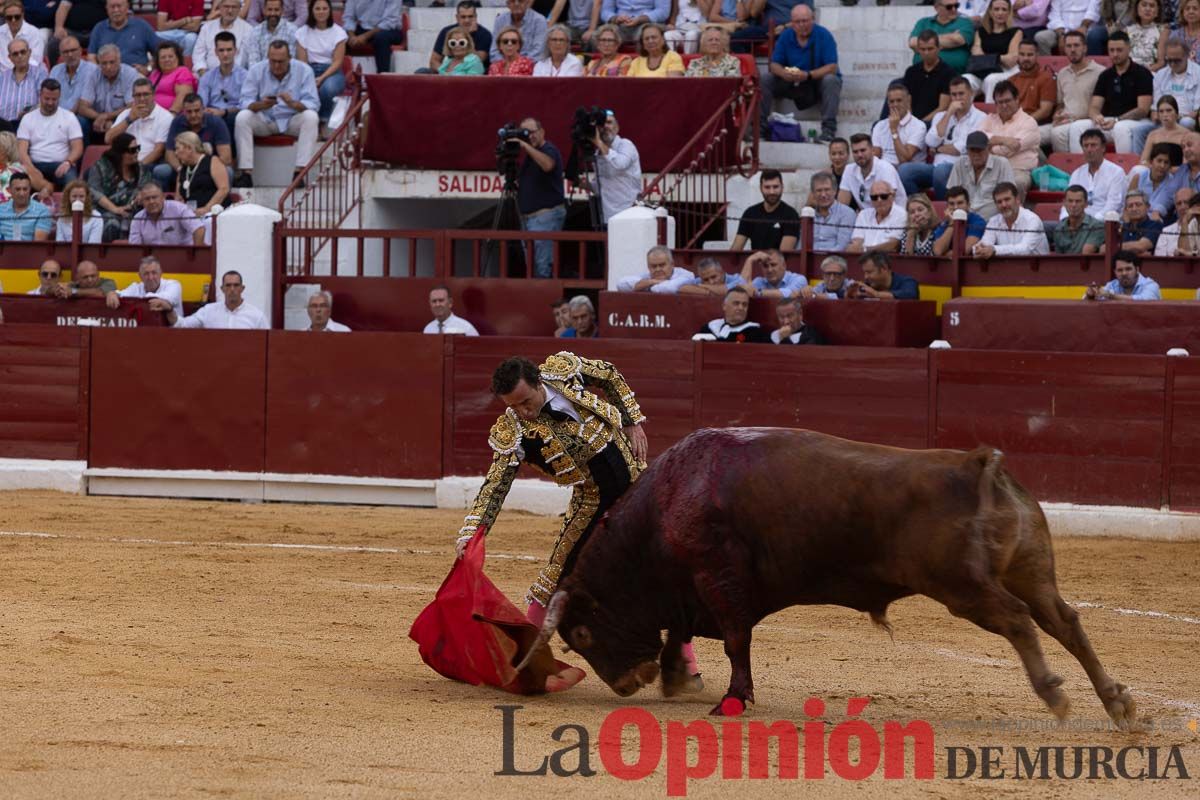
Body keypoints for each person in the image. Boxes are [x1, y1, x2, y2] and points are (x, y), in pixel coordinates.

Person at [451, 352, 651, 652]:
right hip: (591, 502)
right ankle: (526, 658)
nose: (523, 412)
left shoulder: (564, 371)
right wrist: (473, 530)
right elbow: (495, 486)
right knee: (555, 576)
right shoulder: (514, 432)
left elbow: (609, 374)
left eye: (526, 401)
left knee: (663, 566)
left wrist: (632, 420)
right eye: (513, 406)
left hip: (638, 484)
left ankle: (687, 668)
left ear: (538, 382)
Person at [234, 41, 319, 188]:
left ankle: (299, 173)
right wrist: (261, 104)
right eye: (273, 61)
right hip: (265, 118)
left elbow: (313, 103)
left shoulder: (304, 70)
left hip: (291, 119)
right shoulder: (256, 70)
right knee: (242, 117)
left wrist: (292, 103)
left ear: (289, 58)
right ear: (268, 57)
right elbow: (244, 101)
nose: (276, 66)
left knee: (311, 117)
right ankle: (246, 173)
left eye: (281, 61)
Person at [762, 4, 841, 143]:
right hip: (791, 80)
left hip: (815, 80)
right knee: (766, 79)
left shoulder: (824, 35)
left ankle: (829, 130)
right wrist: (783, 73)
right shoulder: (786, 36)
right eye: (798, 22)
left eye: (805, 21)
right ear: (792, 23)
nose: (802, 25)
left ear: (813, 19)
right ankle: (760, 128)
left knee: (831, 80)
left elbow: (832, 67)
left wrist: (808, 75)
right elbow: (774, 64)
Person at [1069, 31, 1153, 151]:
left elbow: (1143, 110)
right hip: (1110, 121)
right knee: (1077, 127)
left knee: (1121, 128)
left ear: (1129, 49)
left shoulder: (1142, 73)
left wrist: (1118, 120)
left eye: (1119, 50)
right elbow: (1094, 106)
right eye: (1111, 50)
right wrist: (1096, 116)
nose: (1115, 54)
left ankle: (1126, 167)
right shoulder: (1105, 75)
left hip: (1136, 122)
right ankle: (1079, 168)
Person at [912, 77, 985, 198]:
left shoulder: (981, 118)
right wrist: (948, 114)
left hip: (962, 168)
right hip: (936, 168)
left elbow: (962, 148)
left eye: (961, 94)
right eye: (954, 95)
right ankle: (920, 205)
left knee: (941, 171)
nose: (957, 98)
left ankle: (945, 208)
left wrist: (937, 149)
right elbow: (930, 141)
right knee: (905, 171)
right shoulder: (941, 116)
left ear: (971, 93)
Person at [511, 117, 565, 279]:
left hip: (545, 216)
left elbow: (548, 165)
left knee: (543, 266)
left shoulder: (549, 150)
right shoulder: (528, 157)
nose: (530, 137)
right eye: (525, 134)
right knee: (531, 268)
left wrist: (525, 146)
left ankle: (545, 302)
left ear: (542, 132)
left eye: (532, 132)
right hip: (528, 219)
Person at [17, 79, 83, 196]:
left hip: (61, 164)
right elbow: (21, 151)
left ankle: (69, 212)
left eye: (54, 99)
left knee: (72, 181)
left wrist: (68, 162)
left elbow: (77, 147)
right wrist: (31, 169)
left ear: (59, 97)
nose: (50, 103)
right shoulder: (28, 118)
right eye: (47, 99)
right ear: (40, 96)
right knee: (18, 178)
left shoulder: (69, 117)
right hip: (34, 164)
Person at [87, 132, 152, 240]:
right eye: (132, 150)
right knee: (112, 224)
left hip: (133, 210)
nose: (136, 153)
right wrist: (115, 209)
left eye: (138, 148)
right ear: (120, 152)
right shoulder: (101, 167)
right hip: (105, 210)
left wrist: (141, 195)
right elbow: (94, 192)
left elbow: (146, 186)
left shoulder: (141, 168)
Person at [295, 0, 346, 137]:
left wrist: (322, 78)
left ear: (329, 11)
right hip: (309, 69)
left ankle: (321, 121)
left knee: (327, 88)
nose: (321, 12)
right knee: (303, 87)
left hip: (331, 71)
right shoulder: (302, 32)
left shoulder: (338, 32)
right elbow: (302, 61)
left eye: (324, 8)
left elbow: (338, 61)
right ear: (312, 11)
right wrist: (310, 78)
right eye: (317, 9)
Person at [977, 79, 1040, 192]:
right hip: (991, 169)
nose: (1004, 105)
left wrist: (991, 144)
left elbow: (1010, 149)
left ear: (1017, 100)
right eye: (1000, 102)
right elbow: (977, 140)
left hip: (1018, 170)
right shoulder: (989, 119)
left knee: (1016, 183)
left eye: (1007, 101)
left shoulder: (1029, 122)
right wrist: (1003, 141)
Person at [1049, 29, 1106, 152]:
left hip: (1089, 121)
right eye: (1068, 46)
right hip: (1066, 121)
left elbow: (1103, 105)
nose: (1072, 50)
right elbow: (1061, 103)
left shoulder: (1100, 72)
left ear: (1085, 48)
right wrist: (1057, 115)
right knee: (1039, 134)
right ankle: (1062, 169)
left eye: (1076, 45)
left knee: (1072, 130)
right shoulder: (1062, 73)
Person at [106, 78, 173, 179]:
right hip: (123, 163)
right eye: (138, 95)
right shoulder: (126, 114)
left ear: (153, 95)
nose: (142, 98)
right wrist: (130, 119)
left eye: (146, 94)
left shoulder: (165, 117)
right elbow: (108, 139)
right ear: (133, 97)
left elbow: (158, 150)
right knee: (90, 172)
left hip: (148, 163)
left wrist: (137, 167)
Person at [164, 94, 233, 187]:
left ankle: (223, 200)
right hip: (184, 167)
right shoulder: (177, 122)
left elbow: (226, 158)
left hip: (210, 167)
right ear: (183, 112)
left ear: (203, 109)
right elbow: (170, 153)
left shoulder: (216, 122)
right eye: (189, 112)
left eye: (197, 111)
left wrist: (200, 169)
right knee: (161, 171)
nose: (193, 115)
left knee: (228, 171)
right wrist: (180, 169)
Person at [946, 130, 1016, 218]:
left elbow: (1009, 196)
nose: (976, 154)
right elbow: (951, 194)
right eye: (972, 150)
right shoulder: (959, 163)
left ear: (988, 149)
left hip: (993, 219)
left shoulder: (1002, 164)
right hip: (965, 219)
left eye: (979, 150)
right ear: (967, 150)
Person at [167, 270, 269, 328]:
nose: (232, 289)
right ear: (222, 289)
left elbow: (267, 344)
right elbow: (183, 325)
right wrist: (169, 309)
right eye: (228, 285)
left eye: (236, 285)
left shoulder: (257, 316)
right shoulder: (208, 311)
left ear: (242, 288)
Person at [974, 180, 1051, 256]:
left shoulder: (1032, 220)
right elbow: (984, 244)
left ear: (1017, 199)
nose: (1003, 205)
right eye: (999, 202)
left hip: (1038, 267)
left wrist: (994, 249)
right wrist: (979, 250)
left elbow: (1024, 249)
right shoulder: (994, 221)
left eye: (1007, 199)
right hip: (1007, 267)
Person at [79, 44, 139, 139]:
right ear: (99, 63)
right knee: (80, 121)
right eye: (104, 63)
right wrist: (100, 117)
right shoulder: (93, 74)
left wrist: (107, 116)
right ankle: (83, 153)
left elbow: (131, 106)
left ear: (119, 61)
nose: (108, 67)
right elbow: (82, 107)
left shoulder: (130, 74)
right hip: (96, 119)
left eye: (112, 62)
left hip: (121, 119)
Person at [1066, 127, 1129, 218]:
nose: (1089, 150)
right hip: (1077, 221)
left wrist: (1092, 222)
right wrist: (1064, 219)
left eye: (1093, 145)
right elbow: (1068, 201)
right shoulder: (1077, 174)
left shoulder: (1116, 172)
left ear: (1103, 148)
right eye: (1086, 146)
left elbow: (1114, 205)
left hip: (1103, 223)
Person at [964, 0, 1021, 99]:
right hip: (983, 71)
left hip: (1006, 71)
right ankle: (965, 113)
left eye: (1004, 9)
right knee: (966, 79)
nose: (1000, 13)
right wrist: (999, 58)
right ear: (990, 12)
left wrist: (987, 57)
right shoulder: (980, 32)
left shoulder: (1016, 32)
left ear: (1009, 12)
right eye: (996, 9)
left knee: (991, 79)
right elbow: (976, 55)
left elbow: (1011, 60)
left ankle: (990, 112)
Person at [591, 112, 641, 225]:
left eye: (609, 122)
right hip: (608, 217)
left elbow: (620, 164)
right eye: (602, 124)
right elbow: (601, 186)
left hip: (629, 215)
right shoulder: (598, 152)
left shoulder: (626, 144)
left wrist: (598, 142)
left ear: (617, 127)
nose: (606, 126)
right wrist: (581, 183)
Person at [732, 169, 799, 251]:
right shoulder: (750, 213)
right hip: (754, 262)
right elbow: (735, 250)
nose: (772, 192)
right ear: (761, 188)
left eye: (775, 187)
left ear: (782, 187)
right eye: (767, 187)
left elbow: (784, 255)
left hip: (778, 263)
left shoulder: (791, 215)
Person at [197, 32, 246, 144]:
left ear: (236, 51)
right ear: (215, 52)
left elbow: (245, 105)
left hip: (232, 115)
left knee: (233, 119)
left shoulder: (245, 76)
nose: (225, 54)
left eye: (229, 50)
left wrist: (223, 112)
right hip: (211, 115)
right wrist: (208, 111)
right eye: (221, 50)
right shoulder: (207, 77)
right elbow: (201, 103)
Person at [49, 36, 99, 142]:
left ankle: (81, 158)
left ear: (80, 50)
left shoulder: (92, 70)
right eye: (66, 52)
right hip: (56, 114)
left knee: (79, 122)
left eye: (73, 50)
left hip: (79, 115)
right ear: (60, 54)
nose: (70, 55)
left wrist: (64, 119)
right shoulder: (55, 70)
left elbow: (82, 103)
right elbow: (50, 96)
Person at [838, 132, 906, 208]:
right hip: (867, 217)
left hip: (892, 215)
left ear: (873, 150)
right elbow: (842, 205)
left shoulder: (885, 169)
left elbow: (887, 205)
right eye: (855, 152)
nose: (859, 155)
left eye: (863, 150)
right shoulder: (849, 170)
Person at [88, 0, 158, 71]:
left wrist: (148, 68)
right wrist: (99, 73)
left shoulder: (142, 26)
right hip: (106, 77)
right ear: (107, 8)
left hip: (137, 77)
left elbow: (159, 52)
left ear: (127, 7)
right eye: (112, 7)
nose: (116, 10)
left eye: (119, 6)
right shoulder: (99, 28)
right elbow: (91, 56)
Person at [872, 83, 928, 172]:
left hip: (907, 171)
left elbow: (904, 159)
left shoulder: (919, 126)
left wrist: (894, 131)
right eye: (891, 101)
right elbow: (876, 155)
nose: (895, 105)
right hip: (884, 170)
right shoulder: (879, 126)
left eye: (899, 100)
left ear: (908, 100)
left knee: (903, 169)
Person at [129, 181, 206, 245]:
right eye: (147, 199)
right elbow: (135, 248)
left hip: (181, 257)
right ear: (142, 201)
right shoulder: (137, 219)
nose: (151, 202)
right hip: (153, 261)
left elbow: (199, 229)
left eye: (155, 197)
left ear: (163, 197)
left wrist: (195, 256)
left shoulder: (179, 209)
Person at [1007, 40, 1056, 138]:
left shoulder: (1046, 78)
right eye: (1022, 54)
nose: (1025, 58)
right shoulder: (1011, 80)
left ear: (1037, 55)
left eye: (1030, 55)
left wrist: (1022, 123)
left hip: (1038, 125)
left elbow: (1045, 111)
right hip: (1015, 124)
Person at [909, 0, 975, 73]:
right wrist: (950, 38)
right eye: (949, 7)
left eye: (956, 6)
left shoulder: (965, 22)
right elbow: (913, 43)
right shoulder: (923, 22)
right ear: (937, 8)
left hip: (955, 76)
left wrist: (925, 41)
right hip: (921, 73)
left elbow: (958, 40)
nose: (954, 9)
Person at [903, 30, 954, 124]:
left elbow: (943, 107)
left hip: (934, 123)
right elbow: (906, 102)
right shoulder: (911, 72)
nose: (926, 53)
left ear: (939, 48)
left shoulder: (948, 73)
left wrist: (921, 124)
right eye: (922, 49)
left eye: (930, 49)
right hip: (911, 122)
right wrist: (911, 123)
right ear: (918, 49)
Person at [174, 130, 230, 215]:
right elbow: (178, 197)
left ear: (189, 148)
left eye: (178, 149)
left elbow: (223, 189)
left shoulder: (213, 161)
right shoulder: (183, 169)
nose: (176, 153)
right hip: (191, 215)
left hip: (214, 213)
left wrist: (207, 208)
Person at [192, 0, 254, 74]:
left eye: (234, 7)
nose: (230, 10)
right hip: (207, 74)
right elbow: (198, 54)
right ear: (220, 8)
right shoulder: (207, 28)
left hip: (237, 76)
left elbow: (248, 59)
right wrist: (203, 72)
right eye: (226, 6)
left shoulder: (248, 29)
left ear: (239, 9)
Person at [0, 37, 48, 132]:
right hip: (3, 127)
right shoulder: (2, 77)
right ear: (10, 58)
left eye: (23, 52)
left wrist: (29, 112)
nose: (20, 56)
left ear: (29, 53)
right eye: (15, 54)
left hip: (31, 125)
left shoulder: (40, 73)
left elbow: (45, 101)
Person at [846, 179, 906, 253]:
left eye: (884, 196)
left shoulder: (901, 215)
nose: (879, 200)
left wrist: (865, 250)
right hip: (862, 259)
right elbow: (856, 243)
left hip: (887, 259)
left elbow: (893, 245)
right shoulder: (864, 215)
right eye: (874, 197)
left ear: (892, 196)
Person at [429, 2, 492, 73]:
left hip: (474, 73)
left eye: (470, 16)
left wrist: (468, 35)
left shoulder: (484, 34)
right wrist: (445, 73)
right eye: (463, 17)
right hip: (448, 71)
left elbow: (478, 60)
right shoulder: (447, 31)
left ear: (475, 16)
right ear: (457, 17)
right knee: (422, 71)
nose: (467, 20)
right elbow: (434, 61)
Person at [115, 254, 184, 319]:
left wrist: (140, 300)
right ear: (140, 276)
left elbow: (167, 297)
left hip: (172, 330)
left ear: (160, 273)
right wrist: (113, 294)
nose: (150, 278)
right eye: (146, 274)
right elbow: (121, 294)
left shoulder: (174, 285)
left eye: (154, 273)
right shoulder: (136, 287)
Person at [696, 286, 770, 342]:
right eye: (736, 303)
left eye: (744, 304)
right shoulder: (710, 328)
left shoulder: (755, 332)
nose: (741, 308)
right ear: (724, 306)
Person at [1153, 131, 1200, 217]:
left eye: (1189, 145)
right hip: (1181, 221)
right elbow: (1168, 194)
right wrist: (1157, 211)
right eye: (1183, 147)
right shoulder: (1182, 170)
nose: (1185, 150)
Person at [931, 185, 987, 255]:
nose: (956, 207)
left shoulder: (978, 221)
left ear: (968, 205)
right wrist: (952, 224)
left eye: (960, 203)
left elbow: (964, 251)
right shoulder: (945, 223)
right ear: (947, 207)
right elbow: (938, 251)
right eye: (951, 204)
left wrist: (945, 254)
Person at [808, 170, 856, 251]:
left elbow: (842, 246)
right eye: (819, 190)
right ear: (813, 193)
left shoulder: (847, 213)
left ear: (835, 191)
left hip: (834, 260)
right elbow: (801, 245)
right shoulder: (809, 215)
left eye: (827, 190)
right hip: (810, 259)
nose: (823, 195)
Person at [616, 244, 696, 292]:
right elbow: (621, 284)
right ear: (648, 267)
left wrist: (644, 285)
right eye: (653, 266)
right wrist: (652, 281)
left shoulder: (686, 275)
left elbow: (668, 288)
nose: (657, 269)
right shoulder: (648, 277)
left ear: (672, 264)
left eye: (662, 265)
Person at [1084, 249, 1162, 298]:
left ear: (1137, 269)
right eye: (1120, 270)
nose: (1124, 273)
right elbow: (1085, 302)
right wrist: (1091, 295)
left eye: (1128, 269)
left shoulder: (1150, 285)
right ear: (1115, 272)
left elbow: (1142, 301)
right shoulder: (1112, 285)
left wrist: (1110, 295)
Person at [1053, 184, 1106, 252]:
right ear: (1064, 203)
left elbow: (1087, 253)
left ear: (1086, 204)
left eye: (1078, 201)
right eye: (1070, 201)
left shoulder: (1096, 226)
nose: (1073, 205)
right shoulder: (1059, 228)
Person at [1035, 0, 1101, 55]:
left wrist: (1082, 28)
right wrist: (1062, 35)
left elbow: (1093, 12)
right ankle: (1047, 67)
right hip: (1060, 30)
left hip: (1086, 29)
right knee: (1041, 37)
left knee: (1094, 36)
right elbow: (1054, 15)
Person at [149, 41, 197, 115]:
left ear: (178, 58)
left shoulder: (182, 71)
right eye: (163, 57)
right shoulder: (155, 74)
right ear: (158, 60)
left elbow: (183, 96)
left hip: (172, 116)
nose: (167, 59)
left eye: (170, 56)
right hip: (152, 115)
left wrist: (172, 114)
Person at [847, 251, 919, 300]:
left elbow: (910, 295)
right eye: (865, 272)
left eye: (869, 272)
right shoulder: (867, 286)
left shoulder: (907, 282)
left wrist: (877, 294)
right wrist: (850, 295)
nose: (866, 277)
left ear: (884, 268)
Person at [246, 0, 299, 66]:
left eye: (276, 10)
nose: (272, 13)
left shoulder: (292, 30)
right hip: (261, 74)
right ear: (264, 10)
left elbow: (291, 61)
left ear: (282, 11)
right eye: (269, 10)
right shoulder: (255, 32)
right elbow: (253, 62)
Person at [0, 172, 51, 240]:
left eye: (25, 189)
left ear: (30, 189)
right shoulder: (1, 210)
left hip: (30, 250)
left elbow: (38, 245)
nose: (22, 193)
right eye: (17, 189)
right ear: (9, 190)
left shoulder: (42, 211)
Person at [1129, 142, 1175, 216]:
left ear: (1170, 166)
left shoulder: (1173, 183)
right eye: (1159, 161)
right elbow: (1128, 203)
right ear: (1151, 162)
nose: (1162, 166)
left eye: (1166, 162)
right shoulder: (1138, 178)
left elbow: (1161, 207)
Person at [740, 248, 807, 298]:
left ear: (784, 266)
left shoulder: (799, 279)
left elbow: (789, 294)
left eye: (773, 265)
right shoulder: (759, 281)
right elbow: (740, 291)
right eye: (765, 266)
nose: (770, 270)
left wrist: (757, 293)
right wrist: (750, 260)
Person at [598, 0, 671, 43]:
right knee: (599, 36)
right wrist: (616, 18)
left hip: (648, 22)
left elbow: (663, 11)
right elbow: (605, 11)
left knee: (646, 35)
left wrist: (640, 19)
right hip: (620, 24)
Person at [0, 1, 44, 71]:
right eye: (9, 17)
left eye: (17, 17)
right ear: (5, 18)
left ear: (23, 15)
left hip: (28, 73)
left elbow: (35, 61)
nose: (13, 20)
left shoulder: (34, 33)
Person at [1125, 0, 1166, 70]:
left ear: (1157, 11)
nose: (1148, 9)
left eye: (1152, 6)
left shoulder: (1163, 31)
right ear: (1137, 9)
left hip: (1151, 72)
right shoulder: (1126, 31)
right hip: (1128, 72)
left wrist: (1144, 73)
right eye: (1144, 5)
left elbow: (1161, 63)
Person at [1155, 187, 1198, 254]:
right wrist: (1184, 222)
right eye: (1179, 203)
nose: (1182, 207)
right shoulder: (1166, 231)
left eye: (1186, 202)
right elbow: (1159, 260)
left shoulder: (1197, 226)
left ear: (1195, 204)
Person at [678, 256, 744, 296]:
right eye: (706, 280)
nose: (711, 282)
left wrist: (702, 286)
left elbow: (728, 291)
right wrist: (710, 292)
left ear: (722, 272)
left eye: (714, 277)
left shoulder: (737, 279)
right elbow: (682, 288)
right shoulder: (700, 280)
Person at [241, 0, 307, 26]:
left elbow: (303, 15)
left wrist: (290, 29)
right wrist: (262, 30)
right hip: (266, 27)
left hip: (291, 26)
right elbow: (251, 19)